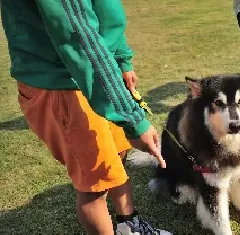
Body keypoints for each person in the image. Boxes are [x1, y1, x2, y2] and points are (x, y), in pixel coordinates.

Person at [0, 1, 171, 234]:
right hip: (61, 82)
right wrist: (132, 120)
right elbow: (78, 37)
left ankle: (129, 226)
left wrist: (121, 58)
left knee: (116, 155)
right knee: (94, 183)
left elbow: (102, 9)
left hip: (95, 71)